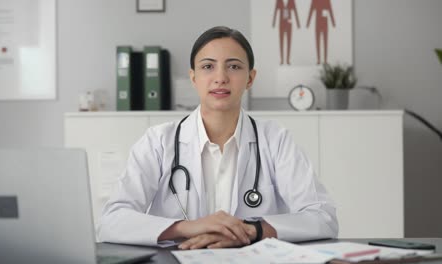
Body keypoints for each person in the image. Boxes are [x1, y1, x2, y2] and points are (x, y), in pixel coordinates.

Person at [98, 26, 338, 249]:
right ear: (193, 77)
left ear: (250, 78)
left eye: (233, 66)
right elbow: (111, 221)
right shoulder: (158, 141)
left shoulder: (276, 140)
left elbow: (323, 218)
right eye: (208, 66)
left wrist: (251, 230)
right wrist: (187, 228)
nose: (220, 77)